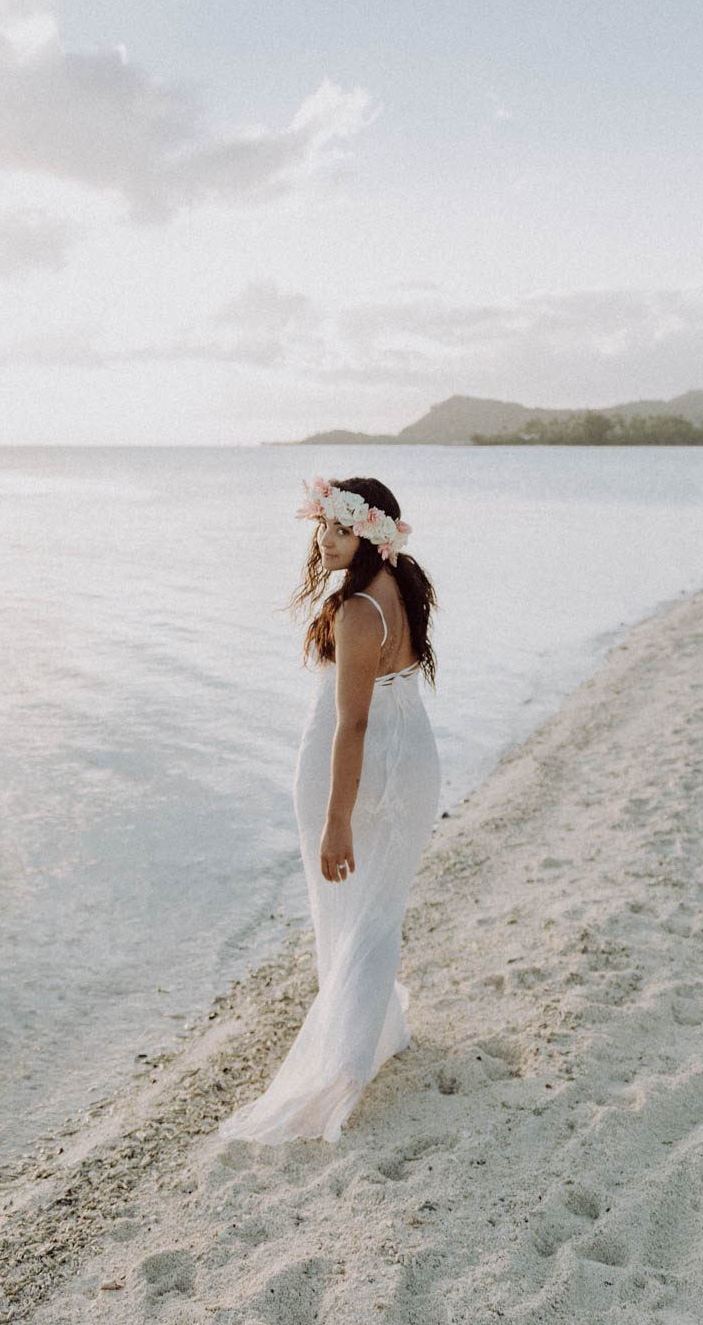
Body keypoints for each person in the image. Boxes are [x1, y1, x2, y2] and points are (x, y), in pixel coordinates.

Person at [218, 476, 441, 1144]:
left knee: (344, 913)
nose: (323, 539)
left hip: (356, 769)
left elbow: (352, 725)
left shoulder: (355, 612)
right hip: (416, 760)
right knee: (379, 910)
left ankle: (342, 1065)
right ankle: (378, 1036)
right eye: (322, 527)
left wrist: (337, 821)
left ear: (368, 534)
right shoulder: (400, 586)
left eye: (337, 529)